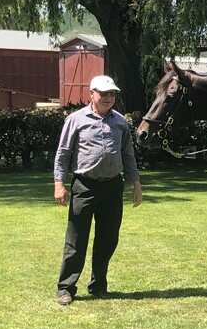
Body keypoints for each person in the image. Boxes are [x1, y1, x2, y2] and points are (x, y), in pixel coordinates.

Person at [54, 75, 142, 305]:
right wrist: (59, 183)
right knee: (76, 239)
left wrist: (136, 183)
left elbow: (128, 154)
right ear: (91, 93)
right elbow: (63, 153)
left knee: (107, 239)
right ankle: (66, 288)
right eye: (103, 94)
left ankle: (99, 285)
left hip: (113, 186)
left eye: (112, 94)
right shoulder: (76, 119)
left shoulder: (120, 122)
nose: (108, 98)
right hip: (84, 186)